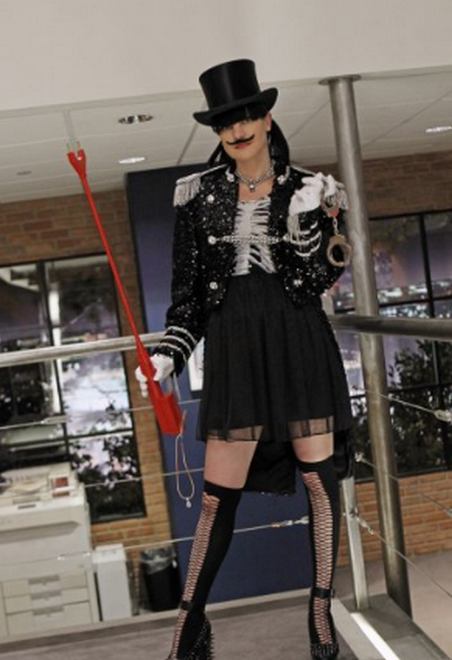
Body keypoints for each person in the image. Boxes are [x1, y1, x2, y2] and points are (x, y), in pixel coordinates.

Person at [135, 59, 353, 660]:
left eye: (246, 117)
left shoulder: (312, 188)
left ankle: (320, 609)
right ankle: (190, 626)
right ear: (217, 131)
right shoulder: (196, 196)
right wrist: (168, 356)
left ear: (266, 118)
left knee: (319, 484)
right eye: (224, 123)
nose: (236, 130)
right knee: (215, 499)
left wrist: (307, 222)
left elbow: (316, 281)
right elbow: (187, 302)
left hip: (298, 345)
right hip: (233, 355)